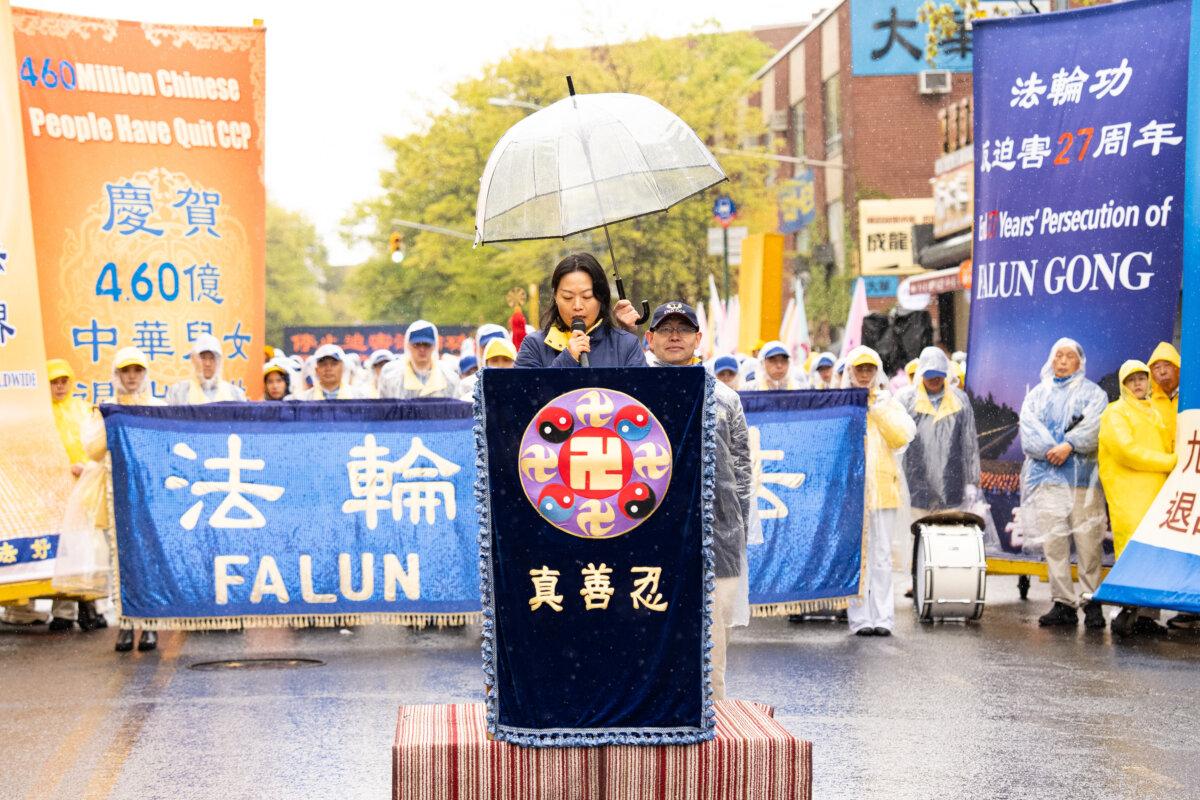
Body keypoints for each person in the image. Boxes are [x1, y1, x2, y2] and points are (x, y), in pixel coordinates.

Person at [645, 302, 751, 699]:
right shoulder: (633, 392)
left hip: (717, 529)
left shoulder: (725, 399)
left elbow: (741, 468)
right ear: (649, 338)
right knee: (653, 618)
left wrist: (736, 525)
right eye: (666, 328)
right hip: (653, 529)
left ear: (697, 339)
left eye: (683, 329)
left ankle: (712, 706)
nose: (675, 336)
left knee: (712, 624)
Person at [1019, 338, 1109, 630]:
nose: (1062, 361)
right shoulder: (1037, 395)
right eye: (1058, 355)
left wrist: (1069, 445)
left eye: (1069, 356)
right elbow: (1029, 428)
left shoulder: (1093, 394)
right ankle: (1063, 603)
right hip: (1048, 482)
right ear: (1050, 360)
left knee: (1088, 543)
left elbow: (1096, 425)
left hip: (1084, 481)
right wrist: (1052, 449)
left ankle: (1091, 601)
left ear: (1079, 362)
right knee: (1055, 543)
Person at [1099, 360, 1176, 637]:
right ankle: (1123, 613)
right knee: (1130, 553)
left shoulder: (1153, 411)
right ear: (1123, 385)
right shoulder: (1115, 412)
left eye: (1142, 378)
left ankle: (1146, 616)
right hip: (1128, 496)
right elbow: (1127, 451)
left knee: (1151, 555)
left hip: (1155, 494)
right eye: (1132, 380)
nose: (1138, 384)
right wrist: (1170, 462)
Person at [842, 346, 915, 636]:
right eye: (859, 369)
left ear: (877, 371)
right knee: (855, 557)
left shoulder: (888, 402)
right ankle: (860, 618)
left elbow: (902, 438)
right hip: (851, 492)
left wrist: (876, 409)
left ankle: (883, 617)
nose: (864, 374)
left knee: (882, 555)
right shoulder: (840, 403)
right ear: (850, 371)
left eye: (869, 369)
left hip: (883, 489)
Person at [900, 347, 981, 578]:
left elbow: (969, 443)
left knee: (948, 539)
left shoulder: (960, 400)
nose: (934, 379)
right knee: (918, 537)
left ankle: (945, 583)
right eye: (929, 373)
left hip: (952, 480)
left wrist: (972, 481)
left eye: (939, 373)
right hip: (916, 482)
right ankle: (917, 583)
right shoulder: (906, 400)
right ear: (921, 373)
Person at [514, 253, 645, 368]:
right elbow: (526, 394)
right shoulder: (534, 346)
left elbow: (640, 394)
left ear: (602, 297)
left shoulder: (626, 344)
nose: (577, 306)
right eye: (567, 297)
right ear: (555, 297)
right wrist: (567, 359)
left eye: (587, 296)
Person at [379, 321, 462, 398]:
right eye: (417, 344)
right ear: (408, 345)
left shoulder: (449, 377)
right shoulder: (392, 376)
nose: (422, 349)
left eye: (427, 344)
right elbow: (383, 409)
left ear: (434, 346)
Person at [166, 334, 246, 404]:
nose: (207, 364)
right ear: (194, 360)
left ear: (218, 362)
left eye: (212, 358)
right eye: (203, 358)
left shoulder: (235, 394)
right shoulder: (178, 392)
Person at [291, 344, 363, 400]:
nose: (328, 368)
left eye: (334, 364)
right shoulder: (304, 399)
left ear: (343, 367)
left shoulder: (358, 397)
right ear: (316, 369)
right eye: (323, 364)